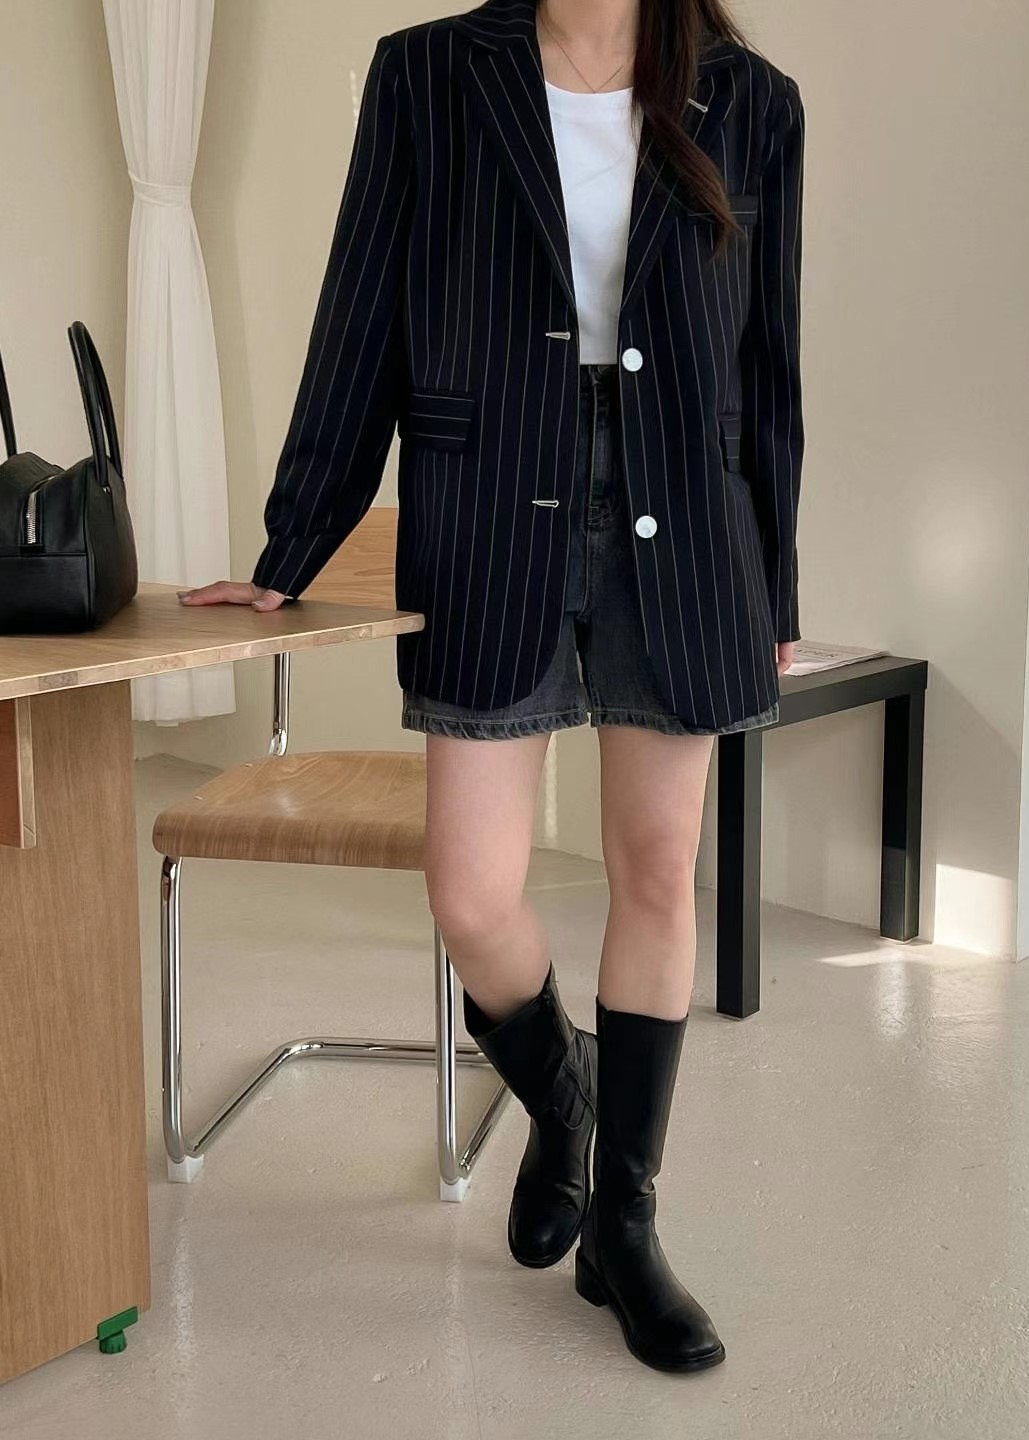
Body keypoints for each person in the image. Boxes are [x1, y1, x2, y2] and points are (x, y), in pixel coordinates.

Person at [179, 0, 805, 1375]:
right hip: (489, 508)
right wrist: (292, 548)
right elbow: (360, 314)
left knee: (658, 871)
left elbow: (769, 364)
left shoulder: (753, 100)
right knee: (470, 892)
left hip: (685, 522)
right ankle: (563, 1097)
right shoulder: (428, 75)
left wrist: (779, 581)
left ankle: (625, 1228)